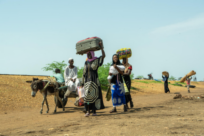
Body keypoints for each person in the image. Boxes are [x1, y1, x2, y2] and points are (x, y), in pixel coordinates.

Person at [81, 42, 105, 117]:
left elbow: (103, 56)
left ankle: (94, 111)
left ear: (92, 54)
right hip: (87, 81)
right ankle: (88, 111)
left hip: (94, 81)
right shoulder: (86, 62)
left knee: (94, 96)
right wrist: (82, 82)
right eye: (87, 54)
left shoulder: (97, 60)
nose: (89, 55)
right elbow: (84, 72)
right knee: (87, 97)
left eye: (90, 54)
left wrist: (101, 48)